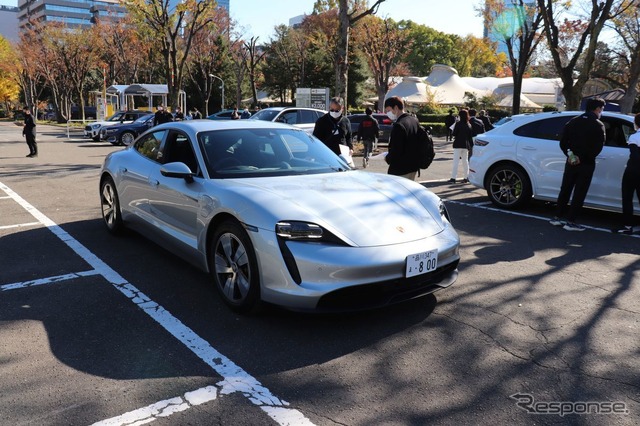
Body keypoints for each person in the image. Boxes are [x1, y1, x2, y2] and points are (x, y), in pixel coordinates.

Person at [549, 97, 606, 231]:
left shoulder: (573, 122)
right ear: (597, 109)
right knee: (579, 192)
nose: (602, 111)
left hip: (571, 162)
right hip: (586, 164)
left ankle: (557, 217)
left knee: (565, 189)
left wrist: (571, 155)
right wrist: (583, 157)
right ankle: (571, 221)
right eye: (602, 109)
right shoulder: (598, 125)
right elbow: (598, 147)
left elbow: (563, 142)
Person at [383, 96, 420, 180]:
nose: (388, 113)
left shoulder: (399, 125)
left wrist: (387, 158)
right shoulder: (414, 120)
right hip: (413, 166)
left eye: (388, 110)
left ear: (395, 108)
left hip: (400, 169)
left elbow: (396, 150)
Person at [614, 113, 640, 234]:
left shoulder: (634, 137)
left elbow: (634, 155)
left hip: (633, 170)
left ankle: (628, 225)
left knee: (627, 196)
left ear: (636, 123)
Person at [449, 109, 474, 183]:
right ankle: (466, 177)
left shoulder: (458, 124)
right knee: (465, 161)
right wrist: (471, 146)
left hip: (458, 144)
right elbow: (470, 137)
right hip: (466, 145)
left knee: (456, 161)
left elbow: (454, 134)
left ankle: (453, 178)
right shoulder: (469, 124)